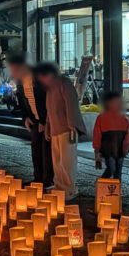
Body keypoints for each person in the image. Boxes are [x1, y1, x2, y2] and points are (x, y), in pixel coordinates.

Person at [34, 62, 85, 200]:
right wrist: (48, 127)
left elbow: (71, 103)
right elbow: (49, 110)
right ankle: (59, 185)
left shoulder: (64, 83)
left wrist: (72, 123)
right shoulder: (50, 88)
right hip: (55, 129)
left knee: (67, 160)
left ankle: (69, 188)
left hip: (66, 128)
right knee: (57, 161)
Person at [8, 54, 53, 189]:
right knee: (36, 149)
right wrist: (26, 117)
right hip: (34, 119)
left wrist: (44, 121)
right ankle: (38, 177)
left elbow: (47, 100)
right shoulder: (20, 82)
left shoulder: (39, 78)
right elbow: (22, 101)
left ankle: (48, 179)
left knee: (46, 150)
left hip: (46, 119)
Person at [92, 90, 129, 179]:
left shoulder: (123, 119)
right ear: (108, 103)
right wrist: (97, 150)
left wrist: (127, 147)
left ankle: (109, 185)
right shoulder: (102, 118)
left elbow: (127, 135)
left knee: (116, 170)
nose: (119, 104)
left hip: (119, 149)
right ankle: (102, 183)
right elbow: (97, 135)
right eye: (116, 102)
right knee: (113, 169)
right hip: (109, 150)